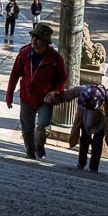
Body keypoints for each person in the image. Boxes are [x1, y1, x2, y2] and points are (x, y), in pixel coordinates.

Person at [5, 23, 67, 159]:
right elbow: (14, 75)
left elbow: (63, 77)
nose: (34, 40)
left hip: (45, 99)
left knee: (43, 125)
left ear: (46, 43)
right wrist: (9, 96)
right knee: (27, 130)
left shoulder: (55, 58)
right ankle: (30, 153)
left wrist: (56, 92)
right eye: (33, 37)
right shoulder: (24, 53)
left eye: (38, 38)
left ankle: (39, 145)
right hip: (26, 97)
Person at [44, 85, 108, 171]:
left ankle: (93, 168)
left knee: (97, 143)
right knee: (84, 140)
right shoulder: (81, 90)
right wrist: (53, 98)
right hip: (84, 119)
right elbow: (65, 95)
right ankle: (81, 164)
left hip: (101, 122)